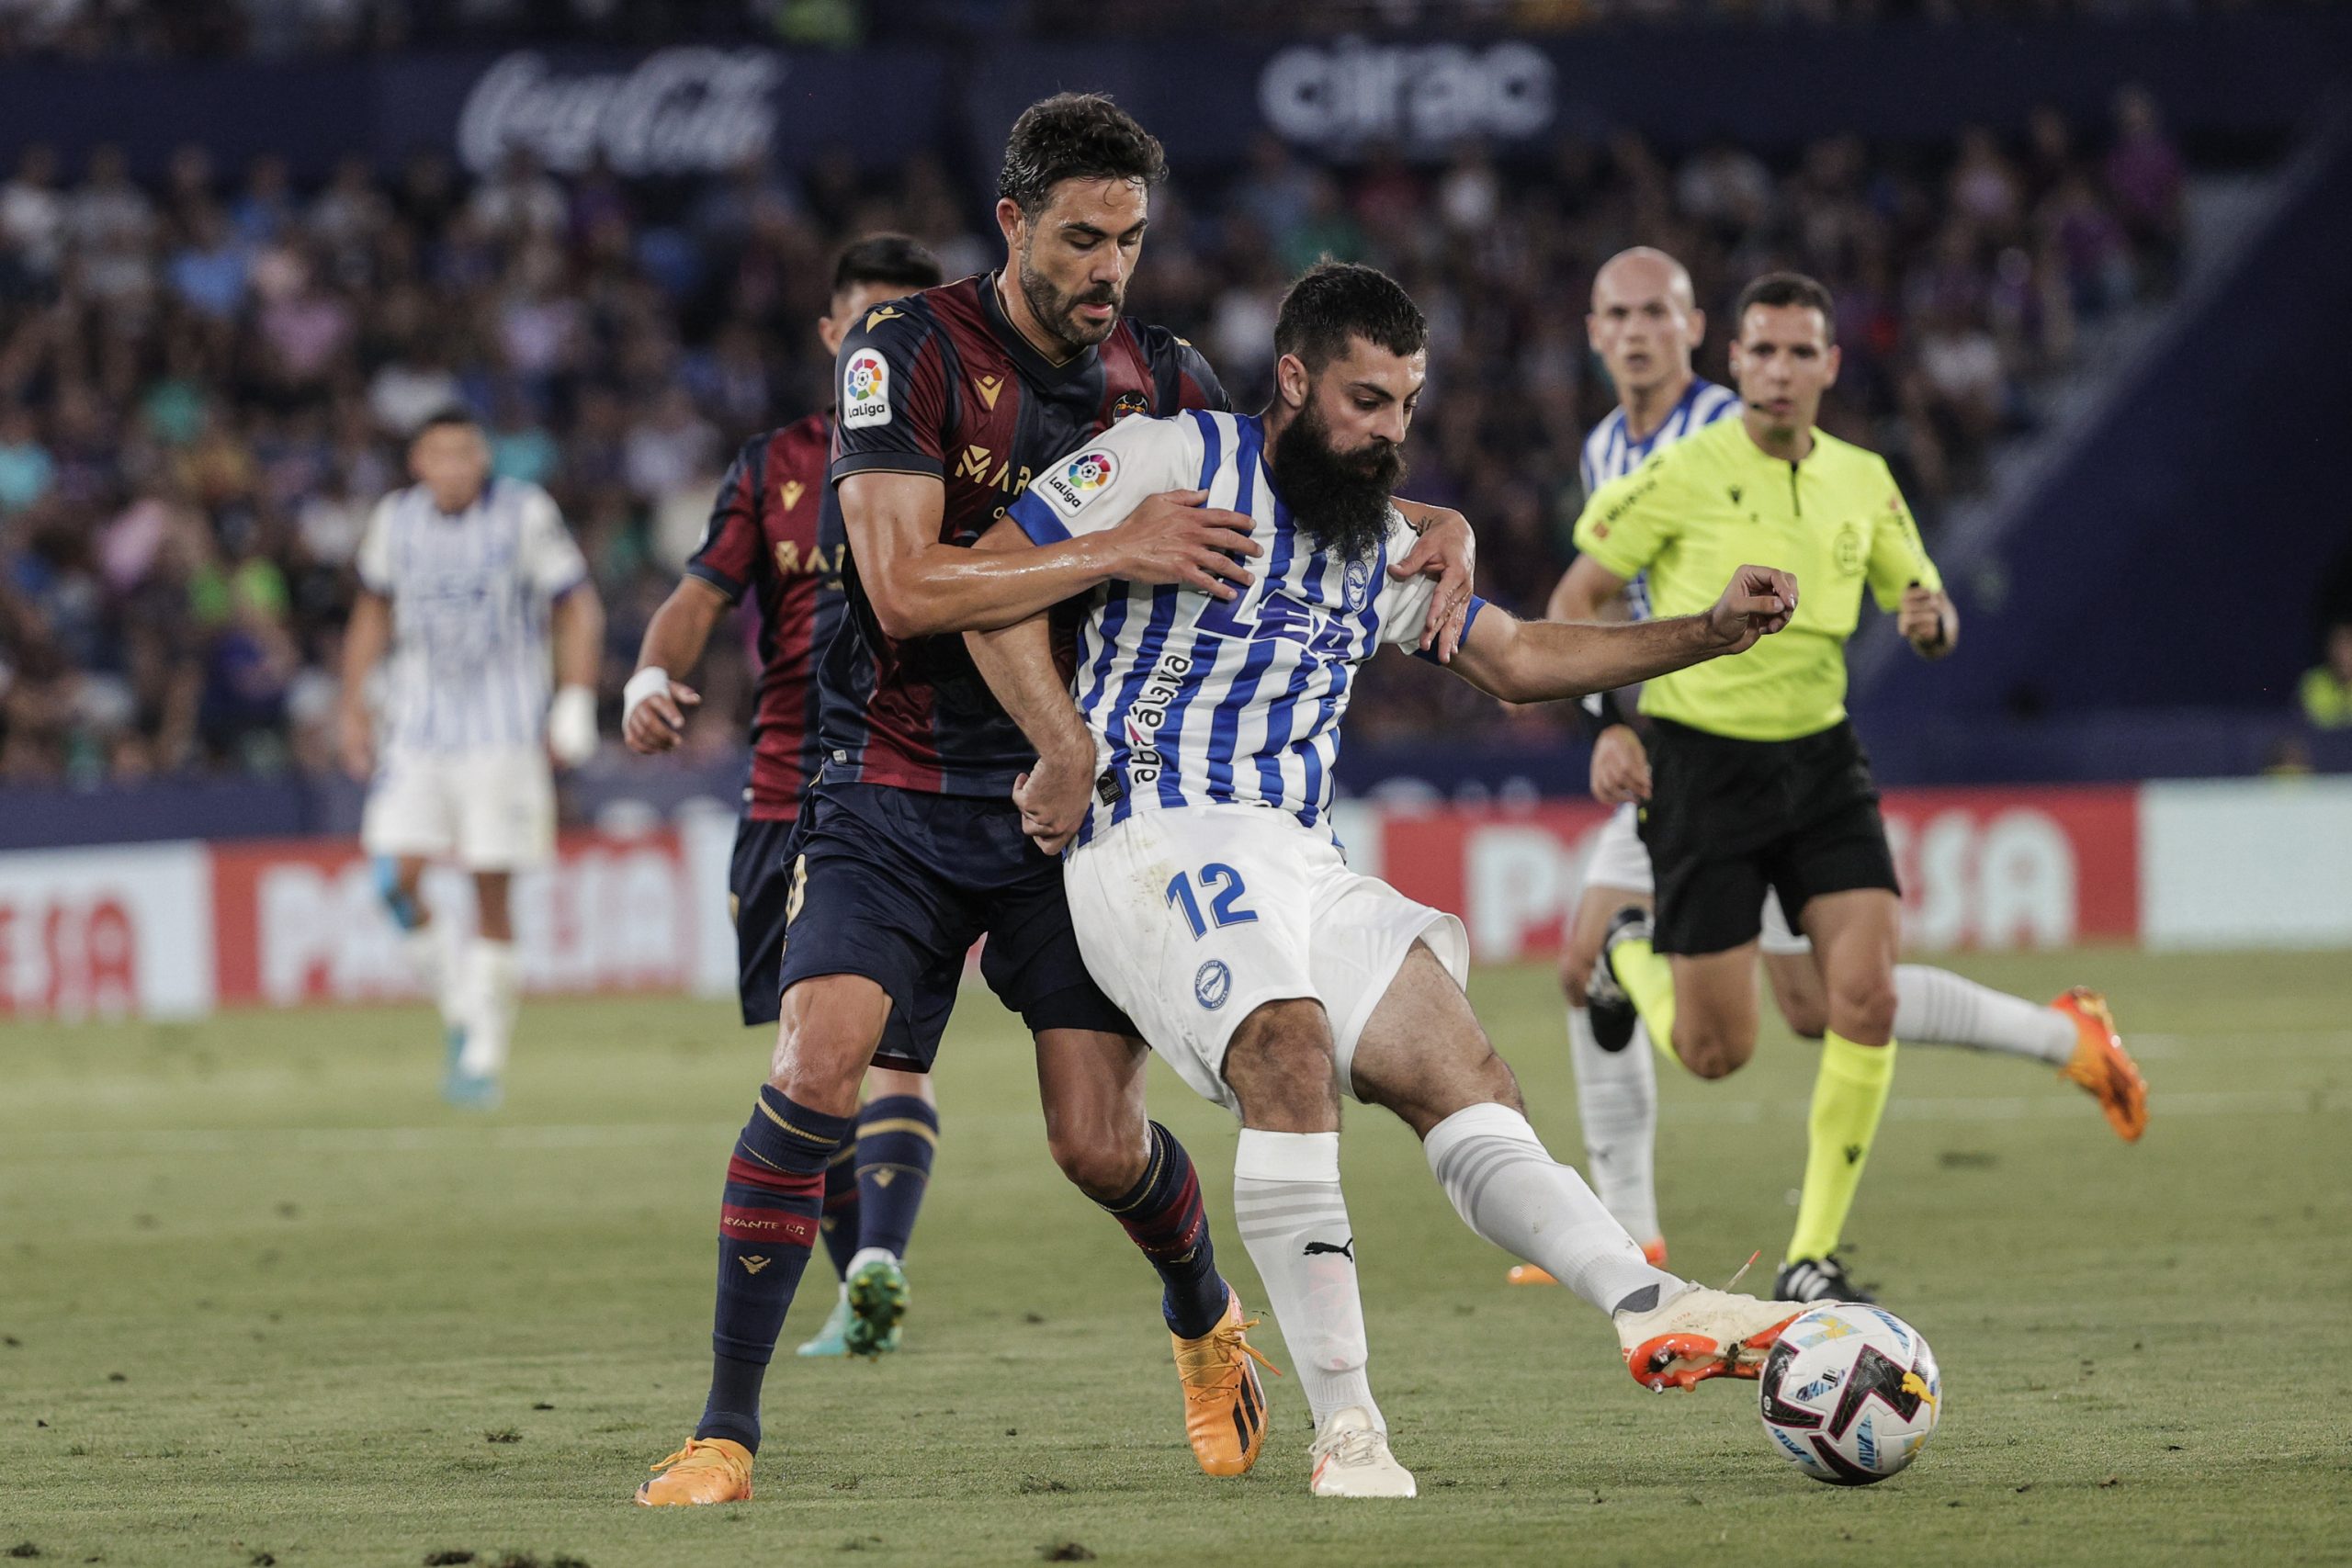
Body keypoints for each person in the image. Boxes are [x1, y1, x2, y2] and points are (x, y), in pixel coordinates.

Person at [632, 94, 1480, 1508]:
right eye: (1081, 237)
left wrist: (1423, 521)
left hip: (1072, 813)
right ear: (1014, 223)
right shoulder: (906, 356)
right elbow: (904, 587)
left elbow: (1293, 493)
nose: (1107, 269)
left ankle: (1205, 1311)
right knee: (813, 1066)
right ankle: (726, 1428)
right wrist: (1118, 547)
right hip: (891, 781)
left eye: (1130, 240)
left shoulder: (1166, 374)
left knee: (1094, 1139)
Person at [963, 261, 1810, 1498]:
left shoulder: (1385, 540)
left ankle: (1646, 1299)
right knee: (1289, 1046)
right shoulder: (1170, 457)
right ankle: (1349, 1424)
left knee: (1459, 1060)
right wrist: (1061, 740)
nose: (1388, 432)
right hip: (1155, 838)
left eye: (1406, 406)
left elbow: (1516, 658)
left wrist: (1705, 633)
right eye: (1366, 402)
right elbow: (991, 584)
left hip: (1300, 856)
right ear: (1295, 379)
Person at [1530, 248, 2150, 1292]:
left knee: (1833, 1003)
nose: (1635, 332)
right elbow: (1584, 596)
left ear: (1698, 337)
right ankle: (1625, 1223)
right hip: (1687, 746)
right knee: (1690, 1010)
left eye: (1654, 313)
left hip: (1803, 755)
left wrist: (1930, 621)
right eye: (1616, 314)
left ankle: (1767, 1248)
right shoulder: (1619, 452)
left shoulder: (1788, 451)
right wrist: (1610, 718)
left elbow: (1927, 605)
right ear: (1594, 332)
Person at [624, 234, 948, 1360]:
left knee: (892, 1053)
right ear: (830, 333)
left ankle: (875, 1263)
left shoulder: (984, 456)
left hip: (910, 779)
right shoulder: (777, 464)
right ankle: (866, 1276)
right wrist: (650, 676)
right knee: (811, 1063)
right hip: (779, 791)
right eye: (866, 322)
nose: (884, 343)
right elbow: (700, 594)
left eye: (908, 322)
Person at [338, 409, 605, 1109]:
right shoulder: (395, 521)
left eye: (465, 453)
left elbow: (577, 606)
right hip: (418, 729)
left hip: (504, 731)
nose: (453, 467)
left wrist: (574, 698)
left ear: (482, 458)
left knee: (491, 886)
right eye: (438, 454)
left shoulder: (524, 514)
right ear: (418, 462)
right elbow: (371, 612)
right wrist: (353, 706)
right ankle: (462, 1005)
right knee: (394, 877)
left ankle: (484, 1051)